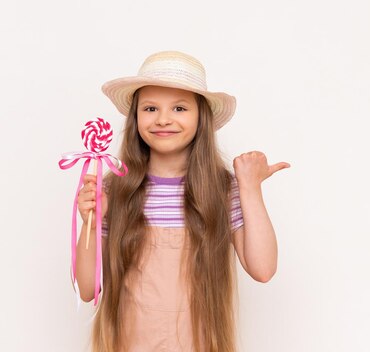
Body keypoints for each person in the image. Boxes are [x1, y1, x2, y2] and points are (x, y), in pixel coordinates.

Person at [74, 51, 289, 352]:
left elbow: (263, 268)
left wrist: (249, 188)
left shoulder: (221, 190)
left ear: (201, 117)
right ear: (135, 117)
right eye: (150, 108)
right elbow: (87, 289)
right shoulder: (114, 190)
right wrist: (92, 223)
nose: (163, 119)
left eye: (179, 108)